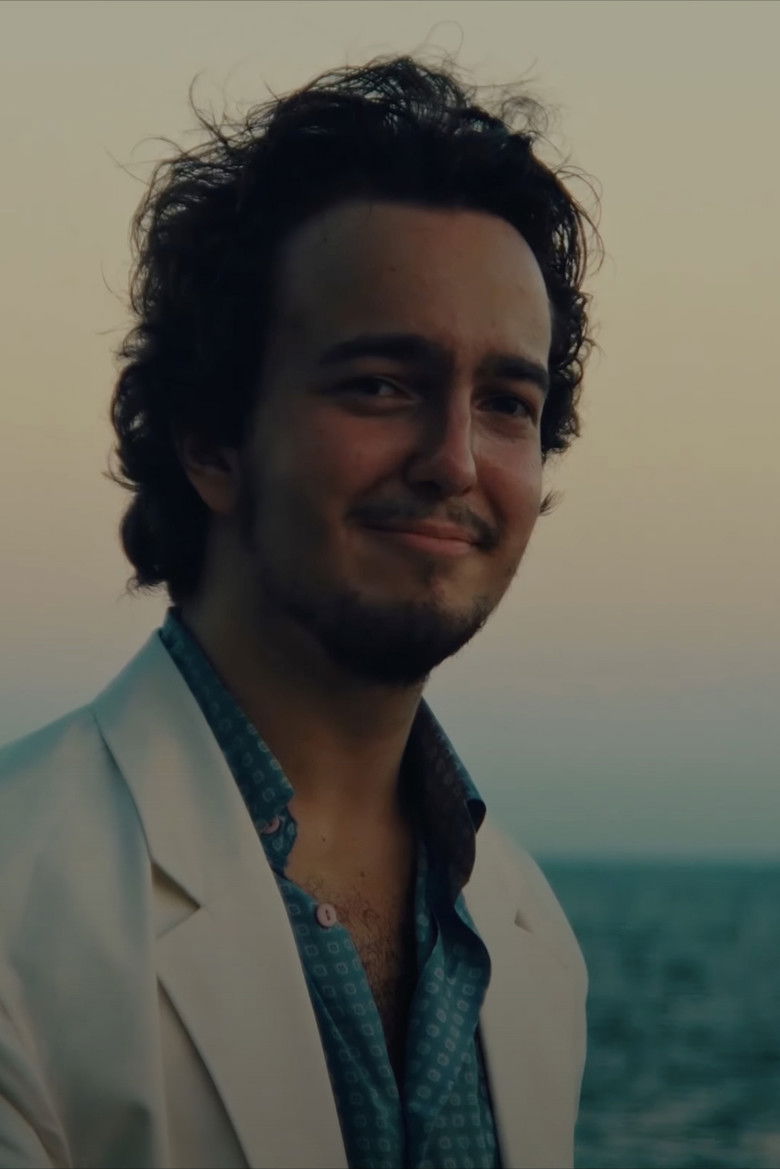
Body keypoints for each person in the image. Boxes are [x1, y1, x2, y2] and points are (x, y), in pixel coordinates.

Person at [0, 51, 600, 1169]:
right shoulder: (19, 904)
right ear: (212, 441)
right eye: (381, 384)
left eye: (507, 401)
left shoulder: (530, 938)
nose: (455, 460)